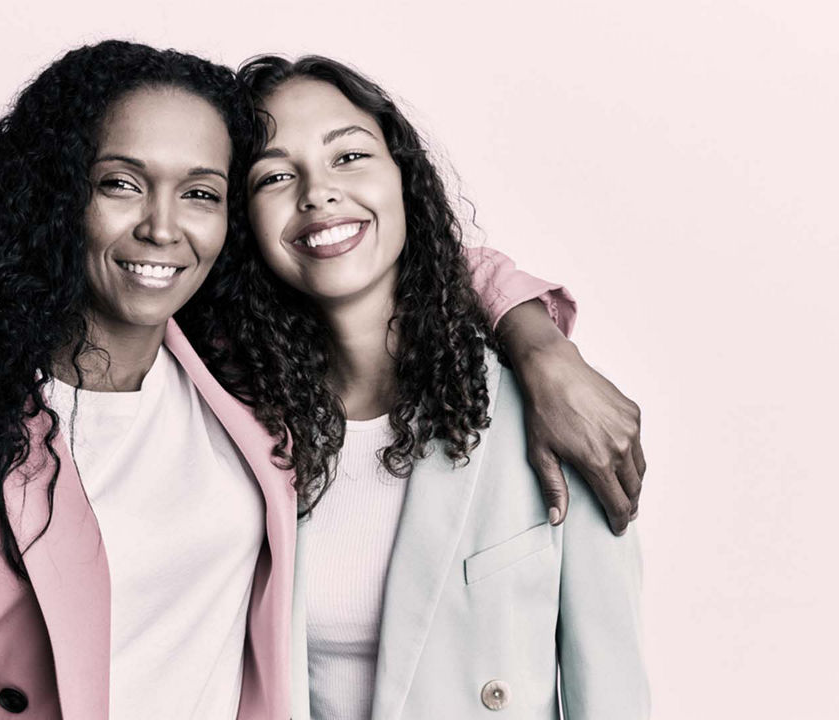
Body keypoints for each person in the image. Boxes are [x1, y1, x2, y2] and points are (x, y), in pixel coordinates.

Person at [0, 40, 642, 720]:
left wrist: (538, 344)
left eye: (202, 193)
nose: (163, 225)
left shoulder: (250, 394)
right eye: (119, 183)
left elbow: (401, 252)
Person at [191, 55, 649, 719]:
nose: (317, 193)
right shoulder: (233, 419)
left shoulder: (545, 410)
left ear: (404, 177)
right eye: (275, 176)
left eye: (348, 157)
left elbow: (611, 685)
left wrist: (540, 345)